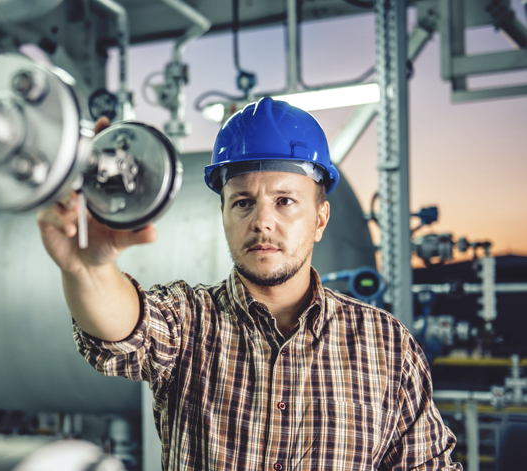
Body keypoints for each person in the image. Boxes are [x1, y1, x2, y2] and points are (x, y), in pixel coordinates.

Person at [37, 97, 460, 470]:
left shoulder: (386, 346)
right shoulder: (190, 322)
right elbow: (123, 330)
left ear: (320, 219)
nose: (262, 221)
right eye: (243, 202)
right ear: (223, 214)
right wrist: (86, 268)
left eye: (285, 201)